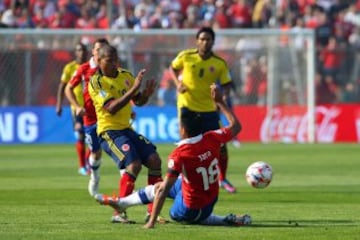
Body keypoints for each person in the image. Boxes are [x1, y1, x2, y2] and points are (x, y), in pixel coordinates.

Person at [94, 84, 252, 229]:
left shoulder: (180, 154)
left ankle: (221, 220)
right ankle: (122, 203)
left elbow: (163, 191)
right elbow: (236, 126)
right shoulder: (212, 137)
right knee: (164, 185)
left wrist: (151, 222)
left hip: (190, 210)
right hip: (210, 199)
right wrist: (220, 102)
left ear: (183, 129)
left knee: (164, 191)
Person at [88, 44, 164, 223]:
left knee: (155, 160)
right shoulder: (96, 82)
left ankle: (152, 212)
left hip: (126, 129)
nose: (114, 64)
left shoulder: (126, 76)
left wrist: (145, 94)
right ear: (99, 61)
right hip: (109, 132)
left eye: (115, 60)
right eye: (109, 60)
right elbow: (111, 108)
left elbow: (137, 102)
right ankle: (118, 213)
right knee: (134, 165)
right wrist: (134, 89)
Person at [169, 26, 237, 193]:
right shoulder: (186, 56)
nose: (205, 42)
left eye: (208, 39)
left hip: (209, 108)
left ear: (213, 42)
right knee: (186, 146)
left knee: (220, 144)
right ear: (197, 41)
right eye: (202, 39)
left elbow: (227, 84)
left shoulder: (219, 63)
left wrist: (224, 96)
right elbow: (172, 68)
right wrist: (178, 84)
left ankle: (223, 178)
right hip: (187, 106)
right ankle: (182, 179)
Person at [64, 38, 109, 199]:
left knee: (125, 154)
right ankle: (93, 175)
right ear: (93, 51)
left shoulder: (111, 69)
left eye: (103, 49)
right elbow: (68, 88)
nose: (100, 52)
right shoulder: (83, 69)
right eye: (98, 49)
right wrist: (76, 106)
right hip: (89, 118)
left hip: (108, 118)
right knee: (96, 153)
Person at [55, 42, 90, 176]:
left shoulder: (91, 67)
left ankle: (87, 161)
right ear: (76, 52)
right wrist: (59, 104)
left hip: (91, 108)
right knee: (80, 135)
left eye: (83, 50)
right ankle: (82, 166)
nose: (81, 52)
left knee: (96, 138)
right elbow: (62, 87)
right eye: (79, 50)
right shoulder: (69, 68)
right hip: (76, 108)